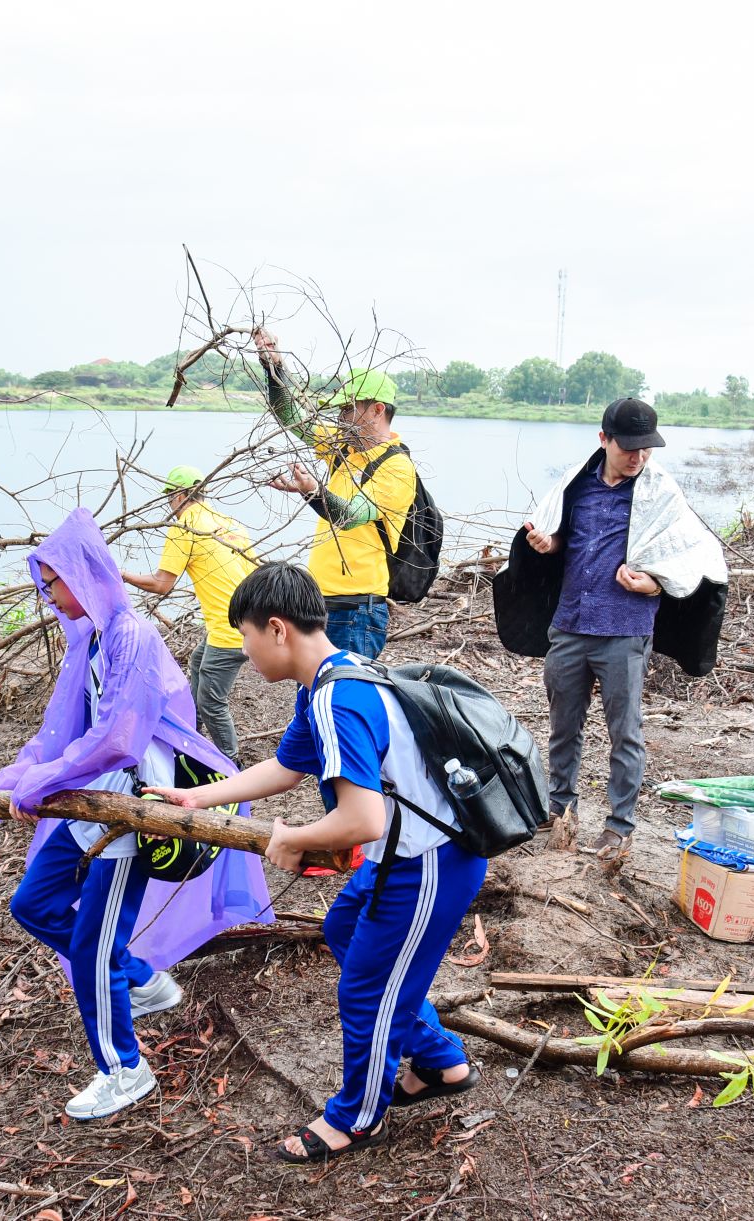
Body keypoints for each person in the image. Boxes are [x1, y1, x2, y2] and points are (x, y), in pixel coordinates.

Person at [144, 563, 485, 1164]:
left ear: (276, 629)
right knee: (344, 930)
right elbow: (285, 767)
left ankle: (357, 1117)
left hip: (429, 862)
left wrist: (292, 837)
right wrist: (196, 797)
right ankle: (440, 1062)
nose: (245, 652)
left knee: (366, 992)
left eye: (245, 636)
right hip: (408, 856)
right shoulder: (329, 681)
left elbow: (363, 820)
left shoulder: (339, 700)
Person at [0, 509, 269, 1121]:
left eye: (52, 583)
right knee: (34, 905)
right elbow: (56, 740)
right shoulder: (91, 640)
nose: (48, 598)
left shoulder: (133, 636)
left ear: (84, 574)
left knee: (94, 948)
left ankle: (125, 1068)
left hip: (129, 810)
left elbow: (119, 737)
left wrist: (43, 783)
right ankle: (141, 976)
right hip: (91, 801)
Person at [512, 399, 728, 865]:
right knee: (563, 728)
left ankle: (619, 827)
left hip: (626, 630)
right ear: (603, 439)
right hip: (570, 624)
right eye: (629, 447)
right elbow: (561, 536)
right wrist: (548, 543)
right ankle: (559, 808)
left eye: (647, 448)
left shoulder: (659, 493)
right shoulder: (577, 486)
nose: (638, 457)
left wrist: (656, 582)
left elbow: (690, 554)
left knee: (625, 734)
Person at [254, 329, 417, 659]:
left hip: (357, 610)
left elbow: (351, 515)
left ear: (377, 410)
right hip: (320, 603)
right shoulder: (343, 448)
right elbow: (290, 416)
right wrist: (272, 364)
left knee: (343, 701)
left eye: (348, 408)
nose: (341, 416)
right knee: (313, 697)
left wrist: (313, 491)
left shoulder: (397, 468)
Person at [121, 465, 257, 759]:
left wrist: (122, 575)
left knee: (211, 701)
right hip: (247, 622)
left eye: (170, 497)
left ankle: (229, 765)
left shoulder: (185, 528)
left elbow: (161, 585)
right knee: (197, 663)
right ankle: (189, 743)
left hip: (229, 632)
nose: (170, 505)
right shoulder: (228, 523)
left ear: (182, 495)